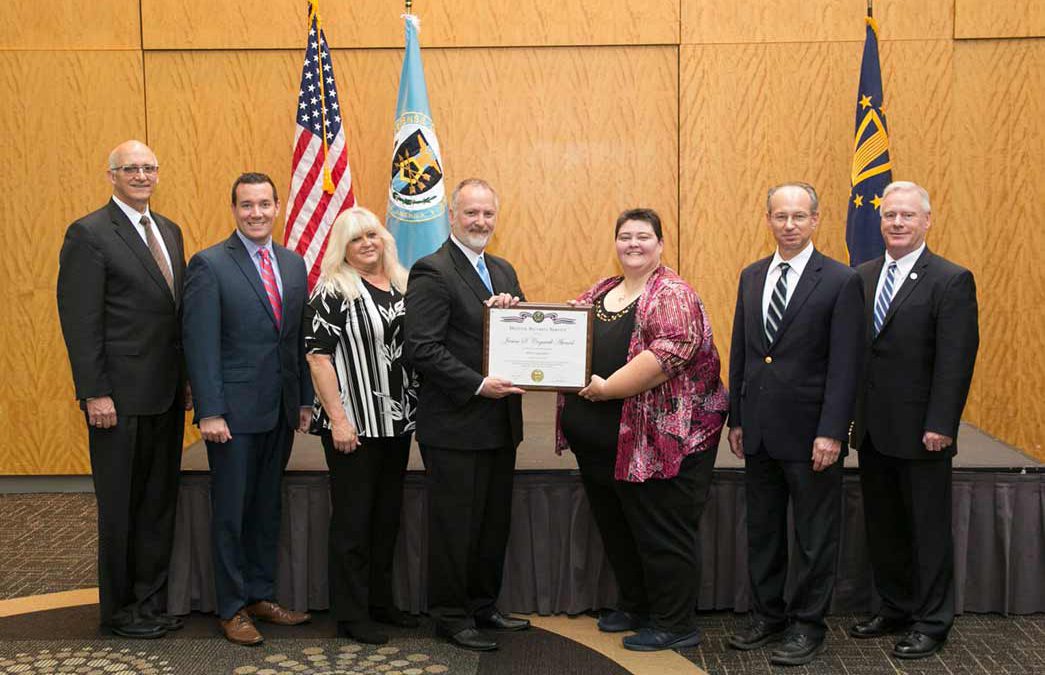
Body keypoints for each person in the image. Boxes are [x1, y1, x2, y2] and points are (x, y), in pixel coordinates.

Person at [555, 208, 729, 652]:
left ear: (660, 245)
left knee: (660, 531)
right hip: (603, 445)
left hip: (660, 443)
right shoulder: (603, 291)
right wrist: (512, 315)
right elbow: (558, 330)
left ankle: (674, 623)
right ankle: (637, 606)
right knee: (621, 529)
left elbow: (667, 356)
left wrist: (608, 389)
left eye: (643, 236)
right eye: (625, 236)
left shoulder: (673, 294)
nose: (633, 244)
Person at [726, 182, 864, 666]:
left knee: (813, 534)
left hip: (812, 436)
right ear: (768, 219)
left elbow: (846, 366)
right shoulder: (751, 275)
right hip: (759, 432)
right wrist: (736, 419)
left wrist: (833, 431)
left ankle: (808, 625)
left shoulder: (841, 280)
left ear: (816, 220)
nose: (789, 225)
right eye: (780, 216)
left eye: (798, 217)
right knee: (763, 530)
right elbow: (744, 351)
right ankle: (768, 616)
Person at [56, 139, 189, 639]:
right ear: (111, 175)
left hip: (167, 394)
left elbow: (172, 316)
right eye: (130, 168)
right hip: (118, 399)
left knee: (158, 504)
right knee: (121, 508)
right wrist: (94, 393)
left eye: (148, 167)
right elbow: (80, 320)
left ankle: (150, 603)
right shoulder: (89, 234)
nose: (140, 175)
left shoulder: (170, 230)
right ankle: (118, 611)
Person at [848, 181, 978, 659]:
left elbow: (955, 360)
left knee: (927, 530)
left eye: (907, 215)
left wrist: (942, 423)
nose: (897, 223)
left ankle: (933, 621)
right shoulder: (860, 276)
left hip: (925, 433)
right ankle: (895, 607)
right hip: (872, 430)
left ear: (927, 221)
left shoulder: (950, 278)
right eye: (889, 216)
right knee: (884, 527)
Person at [182, 172, 314, 646]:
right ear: (233, 209)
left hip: (278, 411)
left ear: (277, 207)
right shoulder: (209, 265)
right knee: (232, 514)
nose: (255, 213)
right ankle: (232, 607)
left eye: (264, 204)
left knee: (265, 509)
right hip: (232, 417)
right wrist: (210, 411)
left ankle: (260, 594)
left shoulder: (293, 264)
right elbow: (200, 346)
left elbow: (297, 340)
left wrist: (303, 399)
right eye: (246, 205)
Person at [404, 178, 529, 652]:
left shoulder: (502, 268)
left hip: (500, 424)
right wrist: (477, 384)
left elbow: (515, 334)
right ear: (452, 216)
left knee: (492, 523)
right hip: (455, 423)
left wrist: (513, 310)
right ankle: (451, 616)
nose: (480, 222)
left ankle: (482, 605)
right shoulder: (431, 271)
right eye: (471, 213)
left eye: (488, 214)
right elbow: (421, 348)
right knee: (455, 525)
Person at [304, 206, 418, 644]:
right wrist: (338, 419)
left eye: (372, 235)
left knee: (387, 517)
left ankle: (380, 602)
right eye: (356, 239)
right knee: (353, 521)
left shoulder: (403, 284)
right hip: (353, 426)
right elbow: (319, 359)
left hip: (397, 422)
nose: (367, 243)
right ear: (343, 248)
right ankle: (351, 615)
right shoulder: (333, 290)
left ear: (385, 238)